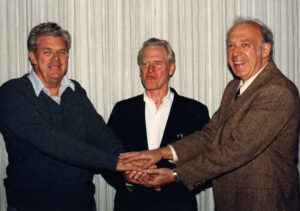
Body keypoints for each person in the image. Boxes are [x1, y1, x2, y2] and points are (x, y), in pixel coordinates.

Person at [120, 18, 300, 211]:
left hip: (264, 202)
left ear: (265, 50)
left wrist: (175, 175)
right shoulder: (233, 88)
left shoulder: (277, 90)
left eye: (244, 44)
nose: (235, 53)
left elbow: (237, 149)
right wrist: (160, 153)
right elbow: (210, 135)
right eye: (230, 45)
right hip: (231, 200)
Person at [0, 22, 140, 211]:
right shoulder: (12, 93)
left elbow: (100, 134)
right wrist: (115, 163)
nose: (56, 59)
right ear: (32, 56)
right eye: (47, 52)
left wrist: (132, 167)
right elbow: (51, 141)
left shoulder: (75, 91)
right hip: (30, 206)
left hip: (81, 204)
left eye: (62, 52)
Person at [102, 38, 210, 211]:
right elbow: (105, 157)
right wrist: (126, 177)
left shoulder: (194, 111)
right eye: (145, 63)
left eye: (158, 64)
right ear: (139, 70)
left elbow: (207, 163)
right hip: (131, 204)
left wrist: (174, 177)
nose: (150, 70)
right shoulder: (123, 110)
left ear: (171, 68)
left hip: (178, 205)